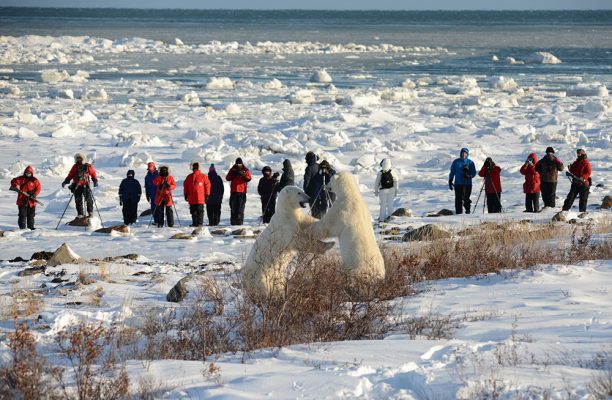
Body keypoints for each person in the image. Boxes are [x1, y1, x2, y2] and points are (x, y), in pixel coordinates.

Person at [61, 153, 98, 218]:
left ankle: (90, 213)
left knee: (88, 199)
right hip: (76, 185)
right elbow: (70, 175)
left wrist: (95, 181)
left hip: (86, 184)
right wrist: (65, 181)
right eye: (77, 158)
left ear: (83, 158)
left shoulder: (88, 166)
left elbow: (93, 174)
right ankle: (80, 214)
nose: (79, 159)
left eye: (80, 158)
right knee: (78, 200)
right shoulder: (75, 166)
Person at [9, 166, 41, 230]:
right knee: (22, 215)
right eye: (26, 173)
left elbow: (38, 188)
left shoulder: (35, 180)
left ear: (32, 173)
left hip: (31, 201)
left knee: (31, 216)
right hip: (22, 200)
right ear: (24, 172)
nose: (27, 174)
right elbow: (13, 181)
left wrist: (34, 194)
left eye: (29, 173)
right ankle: (22, 228)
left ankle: (31, 228)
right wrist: (16, 186)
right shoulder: (20, 179)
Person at [562, 148, 592, 213]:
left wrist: (582, 177)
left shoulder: (586, 163)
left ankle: (582, 214)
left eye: (579, 154)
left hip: (583, 184)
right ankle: (564, 212)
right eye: (577, 154)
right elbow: (572, 170)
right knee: (570, 198)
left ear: (582, 154)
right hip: (575, 183)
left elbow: (588, 172)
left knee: (583, 200)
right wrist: (570, 170)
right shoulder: (576, 162)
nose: (578, 155)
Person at [448, 147, 476, 214]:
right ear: (460, 154)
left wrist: (469, 176)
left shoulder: (470, 162)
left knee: (466, 198)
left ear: (467, 154)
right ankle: (458, 213)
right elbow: (452, 171)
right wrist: (450, 180)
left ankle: (468, 211)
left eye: (465, 153)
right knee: (458, 199)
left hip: (468, 183)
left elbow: (474, 172)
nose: (464, 154)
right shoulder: (456, 162)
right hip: (458, 183)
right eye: (462, 153)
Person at [184, 162, 211, 227]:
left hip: (200, 198)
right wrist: (186, 194)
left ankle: (199, 223)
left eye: (196, 167)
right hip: (192, 197)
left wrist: (207, 194)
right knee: (193, 211)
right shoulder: (189, 177)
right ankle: (195, 223)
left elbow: (207, 186)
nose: (195, 168)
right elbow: (186, 186)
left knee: (199, 211)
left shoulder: (203, 176)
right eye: (194, 167)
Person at [226, 157, 252, 225]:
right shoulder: (232, 170)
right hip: (234, 191)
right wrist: (234, 175)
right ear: (236, 163)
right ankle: (233, 222)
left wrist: (243, 175)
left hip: (242, 192)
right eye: (238, 164)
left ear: (242, 163)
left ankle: (240, 223)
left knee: (240, 208)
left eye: (240, 164)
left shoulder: (246, 170)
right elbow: (227, 178)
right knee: (233, 207)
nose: (239, 165)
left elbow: (249, 178)